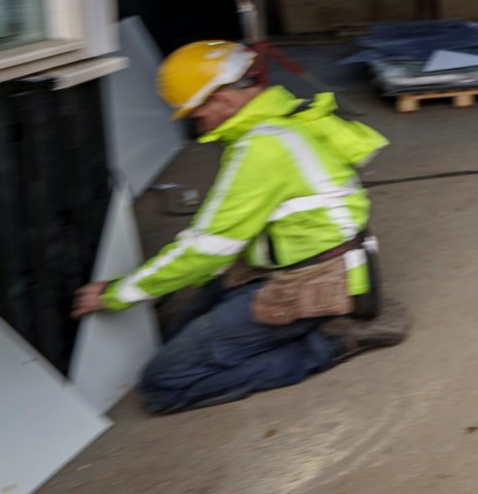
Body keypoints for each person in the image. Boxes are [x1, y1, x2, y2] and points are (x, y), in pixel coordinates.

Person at [71, 40, 409, 413]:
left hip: (315, 282)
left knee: (163, 382)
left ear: (222, 98)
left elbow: (206, 248)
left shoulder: (262, 148)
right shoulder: (283, 120)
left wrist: (116, 293)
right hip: (317, 262)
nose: (193, 121)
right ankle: (298, 330)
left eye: (195, 111)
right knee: (178, 332)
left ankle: (332, 342)